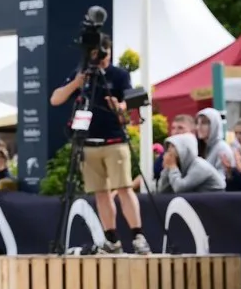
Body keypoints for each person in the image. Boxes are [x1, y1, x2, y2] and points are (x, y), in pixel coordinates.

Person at [49, 36, 152, 255]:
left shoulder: (119, 75)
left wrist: (119, 106)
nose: (101, 58)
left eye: (104, 53)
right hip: (88, 143)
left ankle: (137, 236)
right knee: (101, 193)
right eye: (96, 53)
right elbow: (56, 99)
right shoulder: (82, 74)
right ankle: (111, 238)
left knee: (123, 188)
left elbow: (128, 101)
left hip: (114, 141)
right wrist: (76, 83)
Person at [156, 134, 226, 193]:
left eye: (173, 146)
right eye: (168, 147)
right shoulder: (180, 166)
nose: (169, 150)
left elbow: (179, 189)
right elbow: (162, 190)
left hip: (216, 201)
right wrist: (166, 169)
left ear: (185, 149)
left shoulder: (200, 166)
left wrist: (172, 167)